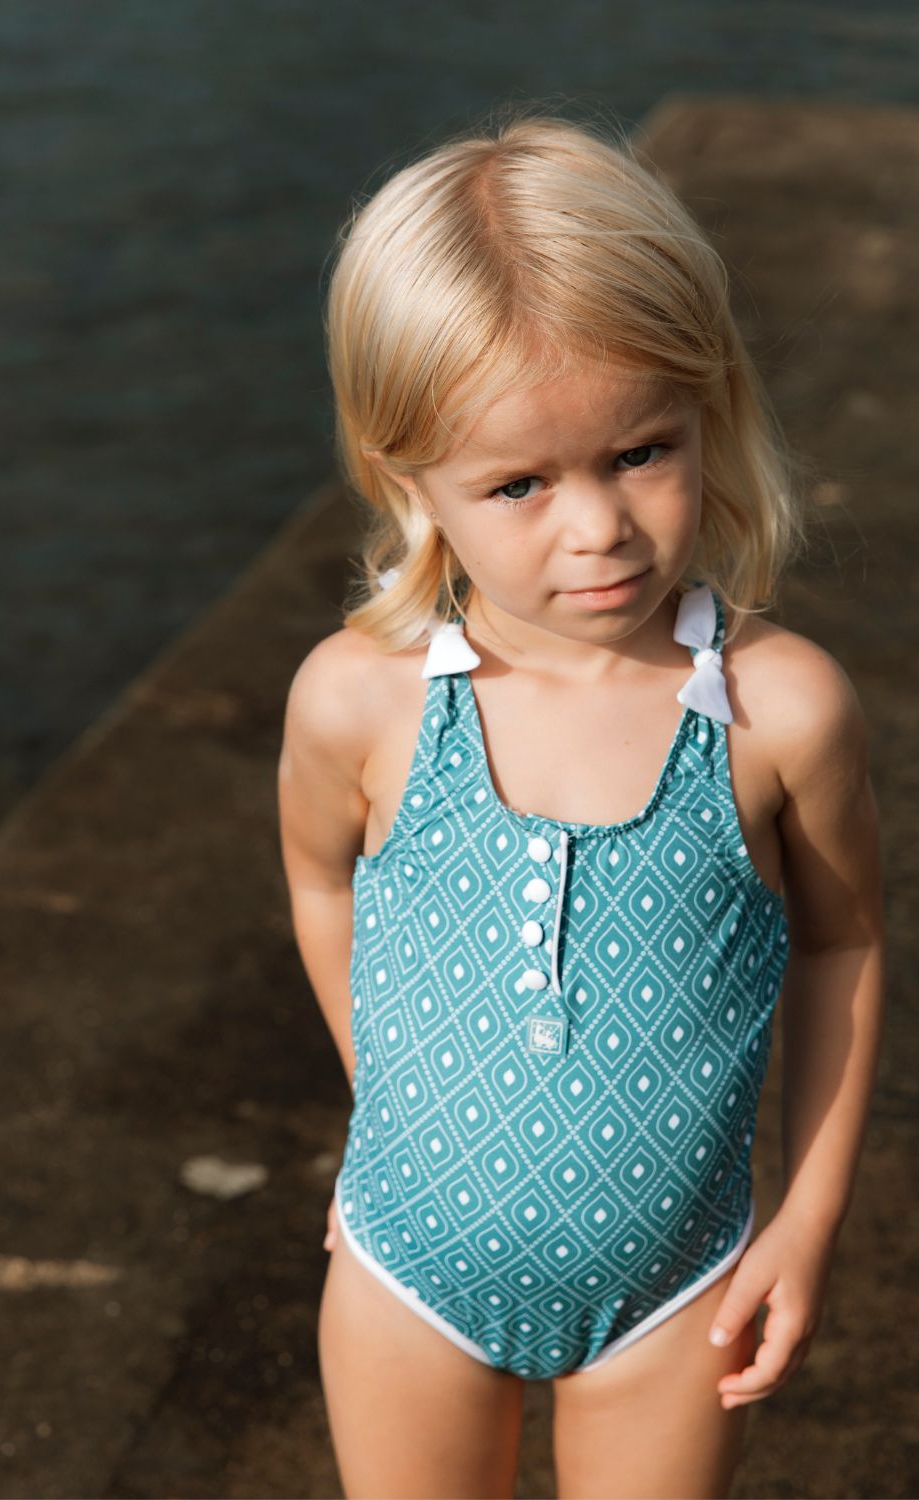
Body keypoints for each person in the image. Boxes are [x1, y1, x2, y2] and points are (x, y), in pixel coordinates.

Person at [277, 103, 886, 1500]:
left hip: (676, 1300)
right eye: (518, 484)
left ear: (709, 407)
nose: (598, 526)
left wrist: (808, 1220)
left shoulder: (780, 713)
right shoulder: (360, 702)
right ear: (406, 478)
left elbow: (845, 944)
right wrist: (387, 1106)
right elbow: (321, 884)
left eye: (640, 453)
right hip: (404, 1281)